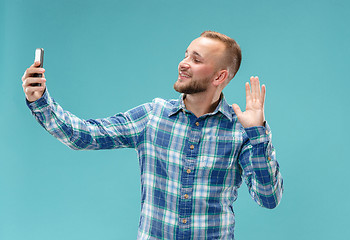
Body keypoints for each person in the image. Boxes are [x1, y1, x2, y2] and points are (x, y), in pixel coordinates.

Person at [22, 31, 283, 239]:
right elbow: (85, 136)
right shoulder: (153, 116)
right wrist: (40, 100)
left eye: (196, 59)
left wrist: (257, 134)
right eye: (186, 55)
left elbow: (268, 198)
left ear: (220, 76)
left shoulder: (242, 130)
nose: (183, 63)